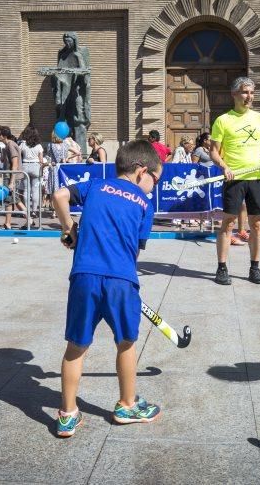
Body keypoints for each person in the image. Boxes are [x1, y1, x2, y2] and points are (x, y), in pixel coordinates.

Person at [51, 139, 162, 437]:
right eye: (156, 178)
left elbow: (59, 195)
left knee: (76, 346)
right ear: (141, 171)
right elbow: (134, 252)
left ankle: (67, 414)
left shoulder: (96, 186)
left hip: (84, 275)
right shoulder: (144, 204)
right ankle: (126, 405)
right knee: (126, 342)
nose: (155, 186)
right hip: (122, 280)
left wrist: (69, 228)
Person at [209, 76, 260, 285]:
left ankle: (254, 268)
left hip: (256, 177)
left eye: (251, 93)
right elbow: (213, 151)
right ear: (234, 94)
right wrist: (224, 166)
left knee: (256, 225)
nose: (249, 97)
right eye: (245, 92)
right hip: (234, 178)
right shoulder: (223, 120)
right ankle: (222, 268)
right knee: (228, 223)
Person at [0, 126, 26, 229]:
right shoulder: (7, 146)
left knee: (10, 200)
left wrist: (12, 181)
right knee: (13, 200)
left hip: (13, 177)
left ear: (4, 136)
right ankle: (28, 219)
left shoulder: (11, 145)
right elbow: (3, 161)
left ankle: (8, 223)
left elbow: (15, 163)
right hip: (11, 177)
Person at [19, 124, 44, 223]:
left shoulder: (22, 144)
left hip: (25, 166)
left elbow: (19, 154)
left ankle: (26, 210)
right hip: (36, 166)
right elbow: (41, 160)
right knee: (35, 190)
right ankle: (34, 211)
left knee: (25, 190)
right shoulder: (39, 146)